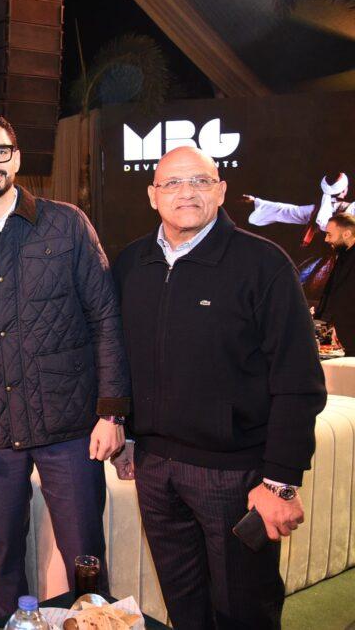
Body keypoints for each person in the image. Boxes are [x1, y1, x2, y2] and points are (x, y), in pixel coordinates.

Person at [0, 114, 130, 618]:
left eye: (0, 151)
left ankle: (93, 625)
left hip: (70, 427)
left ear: (16, 158)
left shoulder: (68, 223)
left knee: (85, 557)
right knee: (3, 557)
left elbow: (105, 318)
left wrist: (111, 412)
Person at [113, 145, 327, 629]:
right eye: (172, 183)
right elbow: (121, 357)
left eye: (200, 181)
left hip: (236, 476)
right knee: (183, 607)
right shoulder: (130, 264)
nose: (186, 192)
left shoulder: (263, 264)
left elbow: (299, 382)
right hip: (155, 470)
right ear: (152, 195)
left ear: (222, 190)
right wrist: (126, 429)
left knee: (244, 610)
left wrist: (280, 481)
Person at [315, 212, 355, 348]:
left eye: (329, 234)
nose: (326, 239)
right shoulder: (343, 256)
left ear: (346, 234)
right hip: (343, 332)